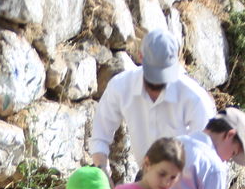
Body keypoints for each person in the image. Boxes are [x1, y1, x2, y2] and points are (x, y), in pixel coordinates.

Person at [88, 28, 216, 174]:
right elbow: (100, 136)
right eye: (152, 80)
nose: (156, 88)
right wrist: (103, 172)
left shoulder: (194, 97)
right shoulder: (120, 86)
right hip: (146, 175)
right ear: (140, 57)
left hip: (184, 178)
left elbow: (205, 151)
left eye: (162, 81)